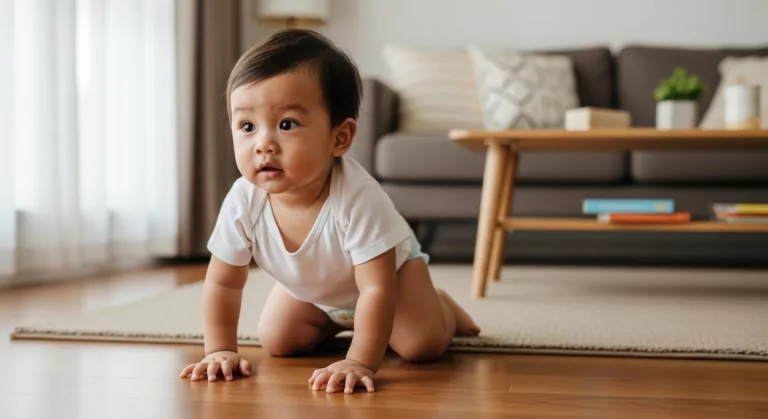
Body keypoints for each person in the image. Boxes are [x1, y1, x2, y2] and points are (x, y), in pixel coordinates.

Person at [179, 29, 479, 394]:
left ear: (340, 137)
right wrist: (221, 350)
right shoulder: (244, 200)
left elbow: (375, 289)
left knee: (422, 345)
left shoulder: (358, 198)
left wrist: (359, 361)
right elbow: (223, 282)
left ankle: (442, 307)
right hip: (315, 293)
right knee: (278, 341)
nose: (263, 144)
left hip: (391, 282)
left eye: (286, 124)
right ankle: (334, 322)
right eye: (247, 126)